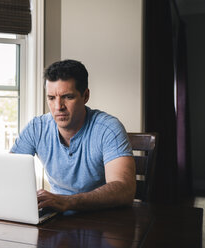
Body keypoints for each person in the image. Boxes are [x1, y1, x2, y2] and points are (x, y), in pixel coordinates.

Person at [11, 59, 136, 212]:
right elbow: (8, 174)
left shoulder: (108, 129)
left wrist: (68, 202)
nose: (58, 107)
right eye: (51, 98)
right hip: (56, 216)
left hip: (103, 218)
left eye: (68, 97)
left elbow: (125, 190)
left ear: (85, 96)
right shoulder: (36, 128)